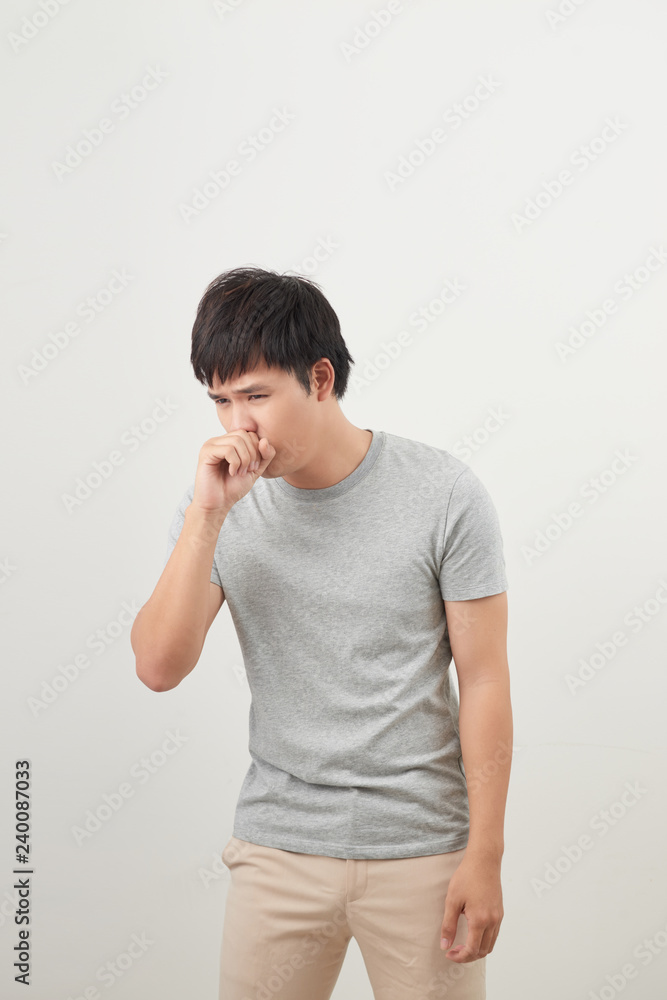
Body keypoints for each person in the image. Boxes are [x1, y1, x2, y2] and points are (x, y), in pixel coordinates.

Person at [130, 266, 512, 1000]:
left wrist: (485, 853)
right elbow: (157, 667)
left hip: (422, 851)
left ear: (321, 379)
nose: (237, 426)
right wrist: (207, 516)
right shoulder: (218, 503)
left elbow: (485, 679)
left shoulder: (443, 494)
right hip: (278, 848)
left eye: (256, 396)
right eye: (220, 401)